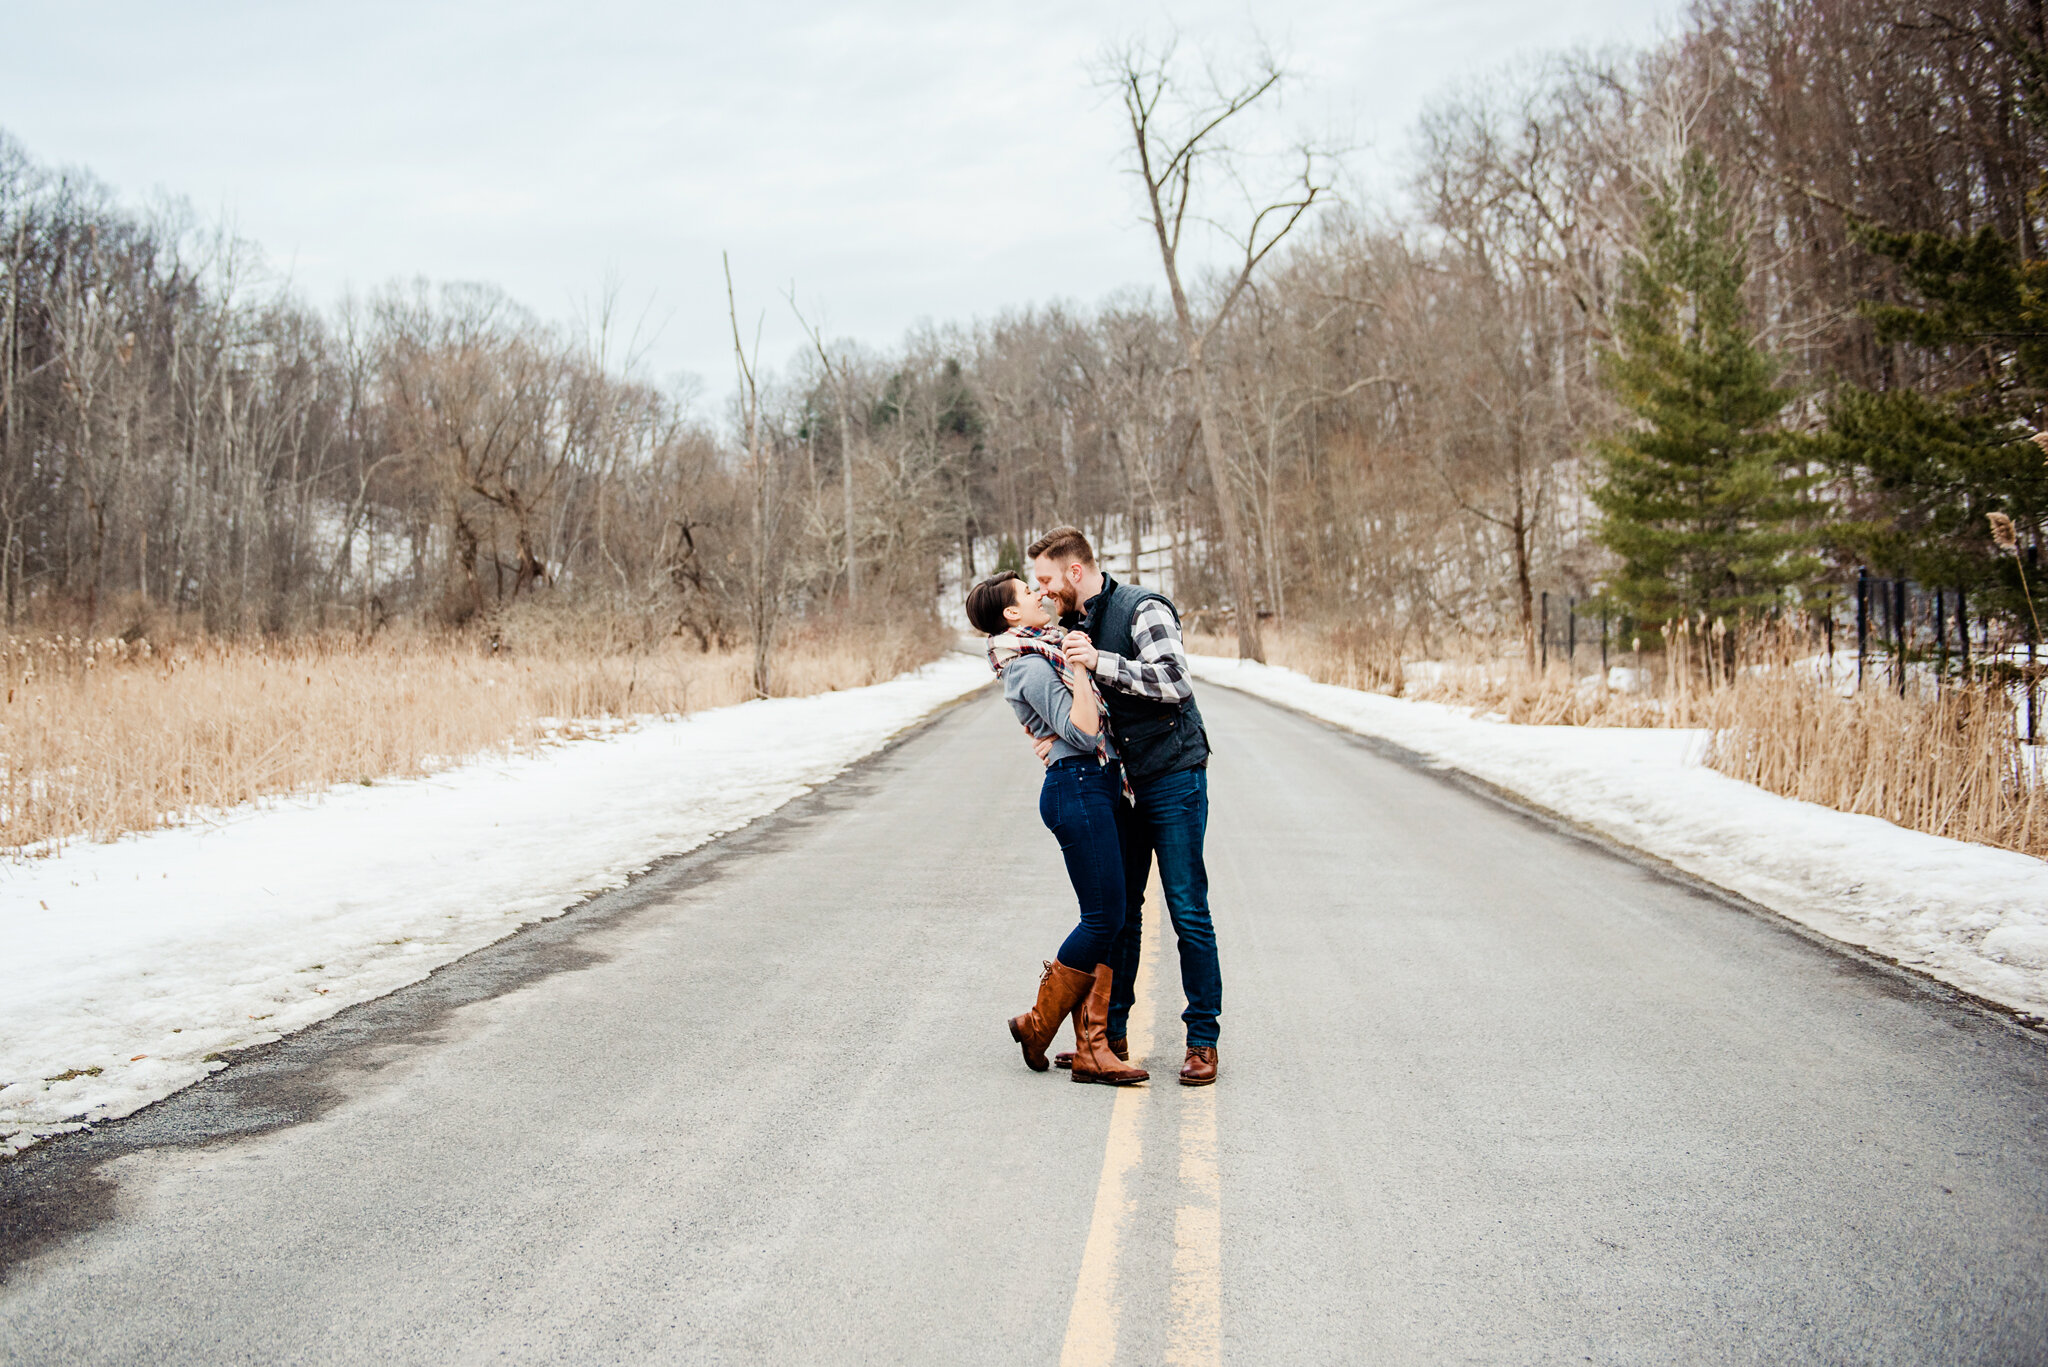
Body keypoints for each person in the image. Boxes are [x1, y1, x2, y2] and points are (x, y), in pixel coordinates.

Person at [1025, 527, 1221, 1086]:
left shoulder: (1142, 608)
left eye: (1046, 580)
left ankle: (1202, 1040)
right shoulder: (1066, 628)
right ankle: (1108, 1038)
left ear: (1074, 573)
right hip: (1121, 785)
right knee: (1122, 913)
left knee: (1186, 908)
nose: (1041, 592)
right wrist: (1049, 739)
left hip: (1174, 775)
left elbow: (1176, 681)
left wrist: (1102, 660)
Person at [964, 570, 1149, 1087]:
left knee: (1109, 917)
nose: (1040, 594)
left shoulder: (1042, 649)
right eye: (1028, 592)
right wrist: (1082, 671)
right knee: (1103, 917)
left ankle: (1074, 1039)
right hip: (1078, 787)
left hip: (1097, 785)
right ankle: (1045, 1026)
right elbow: (1083, 731)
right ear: (1011, 615)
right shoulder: (1028, 666)